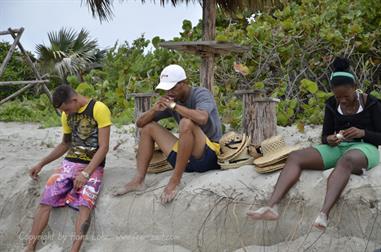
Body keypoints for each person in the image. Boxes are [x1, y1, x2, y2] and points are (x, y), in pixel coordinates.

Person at [247, 57, 381, 230]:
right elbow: (325, 137)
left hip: (365, 147)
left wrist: (363, 133)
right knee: (296, 157)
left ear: (355, 88)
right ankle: (271, 206)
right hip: (339, 146)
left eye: (346, 96)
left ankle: (323, 214)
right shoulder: (332, 104)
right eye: (338, 96)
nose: (342, 101)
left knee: (346, 161)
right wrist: (330, 139)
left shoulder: (372, 103)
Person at [113, 64, 222, 204]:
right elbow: (140, 123)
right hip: (185, 160)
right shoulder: (172, 100)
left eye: (172, 87)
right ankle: (138, 181)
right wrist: (153, 110)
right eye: (166, 88)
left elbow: (202, 118)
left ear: (183, 83)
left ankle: (175, 180)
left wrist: (175, 107)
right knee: (148, 127)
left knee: (186, 123)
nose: (169, 91)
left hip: (209, 155)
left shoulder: (200, 93)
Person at [25, 85, 111, 252]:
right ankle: (30, 246)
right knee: (46, 199)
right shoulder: (66, 115)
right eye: (63, 111)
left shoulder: (98, 108)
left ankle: (74, 250)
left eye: (67, 109)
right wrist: (41, 163)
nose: (66, 113)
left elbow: (104, 147)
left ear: (74, 100)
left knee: (85, 204)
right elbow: (65, 144)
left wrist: (86, 173)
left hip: (93, 164)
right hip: (69, 162)